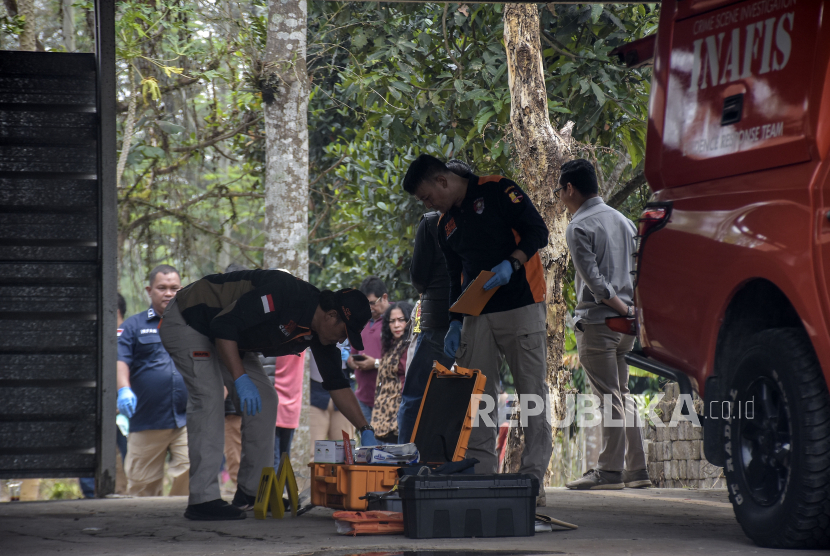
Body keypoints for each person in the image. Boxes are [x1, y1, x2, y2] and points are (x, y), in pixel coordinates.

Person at [159, 269, 378, 521]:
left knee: (265, 399)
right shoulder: (284, 294)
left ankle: (253, 492)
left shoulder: (320, 333)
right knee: (208, 398)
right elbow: (223, 325)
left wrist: (365, 428)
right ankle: (202, 499)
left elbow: (337, 384)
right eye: (344, 333)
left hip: (231, 337)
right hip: (191, 320)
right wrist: (240, 379)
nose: (342, 340)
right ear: (331, 316)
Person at [402, 154, 552, 507]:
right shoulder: (444, 225)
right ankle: (484, 477)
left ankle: (532, 482)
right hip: (476, 313)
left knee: (531, 395)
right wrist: (455, 321)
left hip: (521, 304)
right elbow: (458, 277)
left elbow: (538, 232)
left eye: (426, 196)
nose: (427, 204)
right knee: (479, 397)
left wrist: (512, 263)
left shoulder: (498, 189)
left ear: (442, 181)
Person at [557, 159, 651, 491]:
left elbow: (596, 285)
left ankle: (609, 471)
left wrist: (620, 307)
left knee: (609, 398)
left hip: (599, 323)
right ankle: (637, 470)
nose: (560, 197)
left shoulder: (578, 226)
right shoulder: (625, 222)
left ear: (570, 188)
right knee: (622, 395)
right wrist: (631, 312)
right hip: (626, 328)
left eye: (560, 190)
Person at [397, 162, 463, 443]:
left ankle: (406, 458)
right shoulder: (479, 219)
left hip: (437, 319)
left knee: (416, 395)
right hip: (473, 319)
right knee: (468, 396)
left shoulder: (431, 222)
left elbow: (419, 278)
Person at [117, 265, 189, 497]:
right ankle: (144, 532)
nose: (168, 293)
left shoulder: (193, 326)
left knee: (191, 472)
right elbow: (120, 360)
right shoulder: (132, 327)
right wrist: (123, 390)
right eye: (162, 288)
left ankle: (185, 524)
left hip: (187, 418)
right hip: (147, 418)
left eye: (174, 288)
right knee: (142, 486)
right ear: (150, 290)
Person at [80, 293, 130, 498]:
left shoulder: (128, 334)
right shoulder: (96, 336)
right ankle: (96, 496)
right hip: (103, 409)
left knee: (127, 461)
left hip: (125, 412)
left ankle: (102, 497)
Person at [346, 276, 390, 424]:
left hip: (388, 400)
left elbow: (403, 360)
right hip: (363, 399)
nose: (369, 308)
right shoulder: (361, 321)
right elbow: (353, 353)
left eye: (372, 303)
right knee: (367, 445)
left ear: (384, 298)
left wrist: (376, 363)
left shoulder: (397, 319)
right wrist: (353, 362)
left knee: (387, 446)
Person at [371, 301, 414, 443]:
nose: (396, 325)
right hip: (384, 416)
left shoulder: (410, 346)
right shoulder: (393, 345)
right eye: (392, 321)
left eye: (401, 320)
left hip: (401, 415)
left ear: (409, 321)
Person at [309, 341, 355, 443]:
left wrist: (351, 357)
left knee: (344, 451)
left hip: (345, 393)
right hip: (315, 393)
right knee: (314, 451)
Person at [264, 353, 304, 469]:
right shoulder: (300, 344)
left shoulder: (273, 342)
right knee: (284, 458)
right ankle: (283, 487)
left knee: (274, 458)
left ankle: (278, 487)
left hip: (272, 403)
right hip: (292, 407)